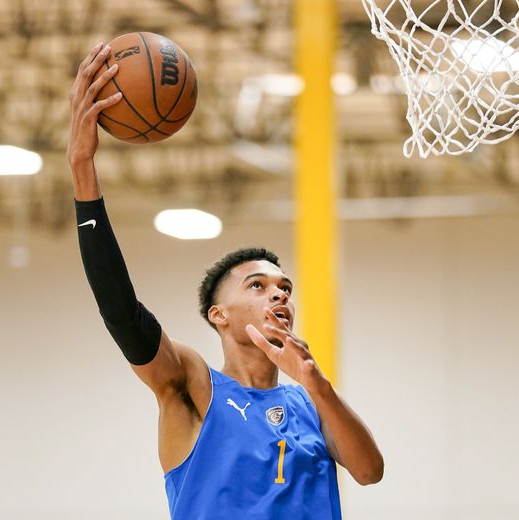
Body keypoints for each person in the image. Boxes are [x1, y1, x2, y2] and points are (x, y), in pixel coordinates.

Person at [67, 41, 384, 519]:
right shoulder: (193, 385)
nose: (278, 292)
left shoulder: (308, 401)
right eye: (256, 285)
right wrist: (82, 170)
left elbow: (369, 471)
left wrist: (317, 384)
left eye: (283, 288)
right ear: (219, 316)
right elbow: (121, 311)